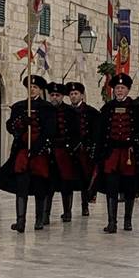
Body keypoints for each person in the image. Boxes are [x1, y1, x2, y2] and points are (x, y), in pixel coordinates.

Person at [94, 73, 139, 233]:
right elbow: (100, 133)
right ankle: (112, 222)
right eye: (117, 88)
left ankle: (127, 221)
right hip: (112, 153)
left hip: (130, 154)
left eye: (122, 88)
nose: (119, 91)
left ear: (127, 90)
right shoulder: (107, 109)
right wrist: (98, 153)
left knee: (130, 187)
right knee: (111, 186)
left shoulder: (138, 109)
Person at [0, 75, 55, 232]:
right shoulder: (19, 106)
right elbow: (10, 127)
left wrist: (37, 148)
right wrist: (20, 122)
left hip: (39, 153)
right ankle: (20, 221)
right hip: (22, 152)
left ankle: (39, 219)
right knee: (22, 186)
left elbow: (49, 131)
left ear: (40, 89)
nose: (32, 89)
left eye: (35, 87)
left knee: (40, 186)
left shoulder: (47, 108)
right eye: (30, 87)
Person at [45, 82, 81, 224]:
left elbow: (76, 133)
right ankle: (45, 214)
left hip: (65, 152)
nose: (54, 97)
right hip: (48, 152)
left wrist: (71, 148)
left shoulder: (70, 112)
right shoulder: (45, 109)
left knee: (66, 183)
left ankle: (67, 211)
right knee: (48, 184)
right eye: (52, 95)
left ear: (62, 96)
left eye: (57, 95)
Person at [66, 81, 100, 216]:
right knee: (67, 178)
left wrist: (92, 147)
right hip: (69, 150)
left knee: (84, 179)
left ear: (81, 95)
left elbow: (96, 131)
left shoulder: (91, 112)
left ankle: (85, 205)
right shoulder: (66, 111)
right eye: (71, 94)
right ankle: (67, 209)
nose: (73, 96)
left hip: (84, 150)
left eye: (76, 94)